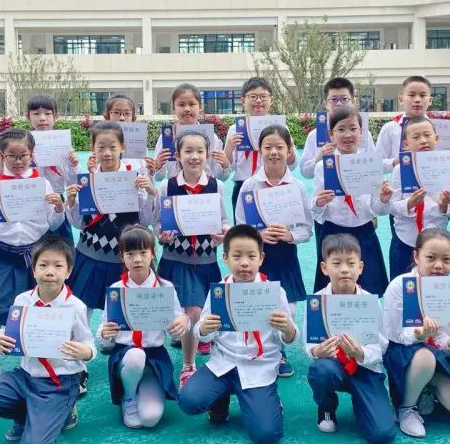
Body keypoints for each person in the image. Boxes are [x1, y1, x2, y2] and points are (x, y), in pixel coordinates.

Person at [0, 235, 94, 444]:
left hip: (59, 382)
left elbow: (88, 344)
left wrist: (86, 352)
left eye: (58, 266)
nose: (50, 272)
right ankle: (25, 416)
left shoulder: (75, 307)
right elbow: (11, 337)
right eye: (43, 265)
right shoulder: (23, 301)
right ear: (33, 270)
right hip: (25, 376)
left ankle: (64, 410)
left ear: (68, 271)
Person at [177, 225, 296, 444]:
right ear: (225, 258)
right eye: (237, 256)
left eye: (251, 256)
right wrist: (205, 328)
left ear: (261, 258)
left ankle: (269, 400)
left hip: (258, 367)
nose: (244, 263)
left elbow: (288, 338)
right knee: (188, 401)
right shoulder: (220, 291)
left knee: (267, 436)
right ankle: (219, 401)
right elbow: (201, 332)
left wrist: (287, 328)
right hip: (223, 364)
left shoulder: (274, 292)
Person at [65, 121, 158, 394]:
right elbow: (78, 223)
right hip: (90, 254)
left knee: (133, 306)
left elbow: (146, 220)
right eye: (101, 147)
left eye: (113, 147)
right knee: (80, 309)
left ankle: (137, 354)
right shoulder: (86, 181)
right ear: (92, 149)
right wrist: (71, 202)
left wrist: (149, 192)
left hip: (125, 258)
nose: (107, 153)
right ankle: (77, 368)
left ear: (123, 148)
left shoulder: (134, 179)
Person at [0, 129, 65, 381]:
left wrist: (58, 208)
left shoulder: (42, 184)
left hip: (37, 256)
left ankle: (44, 368)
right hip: (3, 255)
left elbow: (52, 225)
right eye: (11, 156)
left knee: (43, 312)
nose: (17, 160)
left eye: (23, 155)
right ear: (2, 156)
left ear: (32, 154)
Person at [234, 124, 312, 378]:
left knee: (288, 309)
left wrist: (290, 235)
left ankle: (279, 352)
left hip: (286, 256)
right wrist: (257, 236)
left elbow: (306, 228)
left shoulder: (297, 187)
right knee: (257, 304)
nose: (274, 152)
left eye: (280, 147)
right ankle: (257, 349)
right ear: (260, 150)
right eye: (268, 147)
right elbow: (239, 226)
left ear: (289, 150)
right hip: (257, 259)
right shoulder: (249, 186)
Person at [305, 234, 396, 444]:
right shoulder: (318, 302)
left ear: (360, 267)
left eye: (351, 263)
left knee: (382, 435)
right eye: (336, 263)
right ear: (324, 268)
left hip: (365, 369)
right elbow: (309, 344)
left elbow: (382, 345)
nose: (344, 269)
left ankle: (364, 402)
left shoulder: (371, 302)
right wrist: (317, 351)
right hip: (333, 365)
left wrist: (360, 353)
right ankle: (326, 407)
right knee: (320, 370)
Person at [156, 129, 230, 386]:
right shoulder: (167, 186)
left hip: (206, 260)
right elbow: (158, 223)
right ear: (177, 156)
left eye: (200, 151)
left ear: (208, 155)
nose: (194, 156)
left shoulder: (216, 185)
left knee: (198, 313)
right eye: (188, 151)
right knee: (190, 312)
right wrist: (162, 235)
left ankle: (194, 357)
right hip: (176, 259)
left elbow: (224, 221)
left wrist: (223, 234)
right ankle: (187, 365)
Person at [382, 229, 450, 438]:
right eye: (431, 258)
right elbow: (395, 335)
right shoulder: (400, 286)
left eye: (446, 259)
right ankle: (406, 408)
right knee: (424, 356)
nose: (439, 265)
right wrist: (420, 334)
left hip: (436, 355)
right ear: (416, 256)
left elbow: (445, 348)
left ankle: (426, 386)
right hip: (402, 352)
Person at [97, 226, 190, 428]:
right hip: (125, 356)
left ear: (152, 253)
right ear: (122, 256)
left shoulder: (165, 288)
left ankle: (144, 386)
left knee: (150, 418)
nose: (137, 259)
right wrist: (104, 332)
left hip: (154, 357)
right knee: (135, 356)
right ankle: (129, 396)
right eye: (130, 254)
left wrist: (183, 321)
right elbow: (103, 329)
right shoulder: (116, 290)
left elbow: (179, 318)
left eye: (143, 252)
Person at [311, 107, 387, 295]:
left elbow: (377, 208)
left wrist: (384, 200)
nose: (347, 135)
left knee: (369, 289)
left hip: (364, 231)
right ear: (331, 134)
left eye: (353, 129)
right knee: (332, 290)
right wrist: (319, 202)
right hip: (333, 232)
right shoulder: (322, 167)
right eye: (341, 129)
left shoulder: (371, 164)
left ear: (362, 133)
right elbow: (316, 210)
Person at [375, 116, 450, 280]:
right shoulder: (400, 170)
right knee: (403, 283)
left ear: (436, 138)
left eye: (427, 135)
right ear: (406, 144)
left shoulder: (447, 167)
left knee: (434, 284)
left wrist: (444, 206)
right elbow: (392, 206)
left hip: (436, 240)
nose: (423, 141)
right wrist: (409, 204)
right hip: (405, 238)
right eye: (416, 137)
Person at [223, 76, 296, 218]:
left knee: (276, 225)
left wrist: (290, 147)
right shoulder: (235, 129)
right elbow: (228, 168)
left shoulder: (281, 128)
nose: (258, 101)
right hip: (243, 186)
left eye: (263, 96)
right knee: (245, 229)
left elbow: (292, 165)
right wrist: (230, 148)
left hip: (275, 186)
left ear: (271, 100)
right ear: (243, 100)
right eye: (253, 96)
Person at [26, 94, 80, 246]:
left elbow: (72, 183)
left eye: (48, 113)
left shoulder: (64, 146)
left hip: (57, 201)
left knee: (61, 246)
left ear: (56, 116)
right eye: (36, 114)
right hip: (30, 200)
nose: (42, 118)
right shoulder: (23, 145)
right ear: (28, 116)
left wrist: (74, 165)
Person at [152, 83, 231, 182]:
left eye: (192, 104)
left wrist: (225, 164)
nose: (187, 109)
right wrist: (158, 165)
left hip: (206, 190)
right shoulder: (167, 137)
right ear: (173, 108)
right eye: (181, 105)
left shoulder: (211, 137)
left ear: (200, 106)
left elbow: (221, 177)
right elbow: (158, 178)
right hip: (175, 189)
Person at [299, 77, 374, 179]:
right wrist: (319, 158)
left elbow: (374, 165)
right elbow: (305, 173)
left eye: (344, 99)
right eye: (333, 100)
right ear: (325, 104)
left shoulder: (364, 134)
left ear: (353, 102)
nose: (339, 103)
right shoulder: (314, 135)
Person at [374, 75, 434, 161]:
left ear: (430, 100)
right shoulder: (389, 129)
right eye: (412, 95)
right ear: (401, 99)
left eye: (422, 95)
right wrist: (395, 162)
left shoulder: (437, 128)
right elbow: (378, 162)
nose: (417, 100)